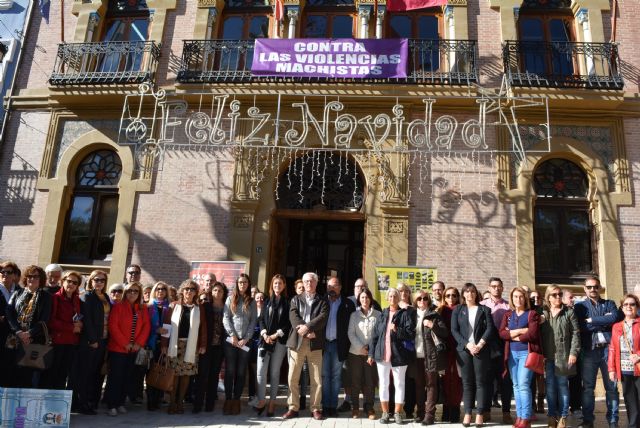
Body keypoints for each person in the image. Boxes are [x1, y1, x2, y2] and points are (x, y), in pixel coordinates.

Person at [574, 276, 621, 428]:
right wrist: (603, 320)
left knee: (612, 388)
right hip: (590, 350)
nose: (593, 289)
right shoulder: (580, 307)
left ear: (600, 287)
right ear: (584, 289)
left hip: (609, 350)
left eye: (595, 287)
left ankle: (613, 421)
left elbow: (613, 319)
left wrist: (591, 320)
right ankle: (588, 420)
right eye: (589, 287)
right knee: (588, 388)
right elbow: (581, 327)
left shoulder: (609, 303)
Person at [284, 272, 329, 420]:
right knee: (292, 377)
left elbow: (322, 318)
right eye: (306, 281)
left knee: (316, 378)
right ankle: (293, 407)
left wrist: (308, 328)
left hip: (315, 342)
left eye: (311, 281)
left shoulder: (323, 300)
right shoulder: (295, 299)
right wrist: (303, 331)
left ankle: (315, 408)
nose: (309, 283)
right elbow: (293, 316)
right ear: (303, 283)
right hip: (297, 342)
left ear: (316, 283)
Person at [370, 287, 416, 424]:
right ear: (387, 298)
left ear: (399, 298)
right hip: (382, 355)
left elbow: (411, 333)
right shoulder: (382, 314)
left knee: (399, 384)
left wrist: (397, 330)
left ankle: (397, 413)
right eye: (390, 296)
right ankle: (385, 413)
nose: (393, 298)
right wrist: (371, 354)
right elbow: (375, 336)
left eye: (395, 296)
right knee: (383, 384)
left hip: (399, 355)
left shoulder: (405, 314)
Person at [451, 282, 495, 427]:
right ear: (463, 294)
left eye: (472, 291)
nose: (470, 294)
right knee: (467, 383)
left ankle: (480, 414)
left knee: (481, 382)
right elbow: (454, 330)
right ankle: (468, 413)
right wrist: (467, 344)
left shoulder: (484, 309)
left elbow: (490, 329)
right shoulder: (458, 309)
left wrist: (480, 344)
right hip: (464, 350)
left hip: (480, 350)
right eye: (467, 291)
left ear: (476, 293)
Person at [161, 280, 207, 414]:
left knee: (186, 374)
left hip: (191, 346)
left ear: (195, 292)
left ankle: (180, 402)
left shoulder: (199, 308)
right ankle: (172, 402)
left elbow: (203, 328)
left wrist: (203, 345)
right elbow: (167, 327)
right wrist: (164, 345)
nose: (189, 291)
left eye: (192, 289)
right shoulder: (173, 306)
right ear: (182, 291)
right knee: (174, 374)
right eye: (186, 289)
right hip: (175, 345)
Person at [104, 281, 150, 417]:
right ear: (125, 292)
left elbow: (146, 327)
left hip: (133, 349)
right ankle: (112, 404)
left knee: (127, 377)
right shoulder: (118, 307)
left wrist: (138, 343)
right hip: (118, 348)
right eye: (130, 291)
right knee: (115, 377)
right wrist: (125, 343)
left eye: (135, 291)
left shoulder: (142, 308)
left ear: (139, 294)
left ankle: (120, 403)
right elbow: (113, 326)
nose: (132, 293)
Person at [498, 286, 541, 428]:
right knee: (516, 385)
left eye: (521, 296)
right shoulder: (508, 315)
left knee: (523, 385)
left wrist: (512, 335)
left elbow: (533, 334)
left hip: (526, 354)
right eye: (515, 296)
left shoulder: (532, 314)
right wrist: (521, 331)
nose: (518, 299)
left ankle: (526, 418)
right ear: (512, 298)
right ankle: (520, 416)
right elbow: (502, 334)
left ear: (526, 298)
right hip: (511, 354)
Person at [540, 285, 580, 428]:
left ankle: (563, 416)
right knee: (550, 388)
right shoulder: (543, 312)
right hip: (548, 356)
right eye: (554, 294)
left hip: (564, 355)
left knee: (563, 386)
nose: (558, 297)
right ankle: (552, 416)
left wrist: (573, 353)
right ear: (548, 297)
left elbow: (576, 333)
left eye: (560, 294)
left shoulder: (568, 312)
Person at [6, 265, 52, 388]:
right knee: (11, 372)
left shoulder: (46, 296)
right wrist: (18, 331)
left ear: (41, 278)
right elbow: (9, 312)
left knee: (27, 376)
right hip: (14, 339)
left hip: (32, 341)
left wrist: (28, 334)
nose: (32, 279)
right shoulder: (17, 292)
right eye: (30, 276)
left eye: (35, 276)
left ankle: (22, 407)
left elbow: (44, 319)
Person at [74, 270, 111, 415]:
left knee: (95, 373)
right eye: (96, 279)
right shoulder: (87, 296)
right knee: (85, 374)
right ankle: (81, 404)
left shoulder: (105, 296)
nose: (99, 282)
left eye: (102, 280)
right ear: (91, 280)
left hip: (103, 340)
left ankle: (90, 401)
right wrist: (92, 339)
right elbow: (87, 319)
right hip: (91, 341)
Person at [256, 274, 291, 416]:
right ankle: (261, 400)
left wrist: (276, 335)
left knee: (274, 373)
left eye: (280, 283)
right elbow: (261, 320)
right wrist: (265, 334)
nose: (277, 286)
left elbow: (288, 324)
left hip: (279, 342)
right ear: (272, 285)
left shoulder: (287, 303)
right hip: (264, 341)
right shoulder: (266, 301)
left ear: (284, 286)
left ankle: (272, 402)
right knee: (260, 372)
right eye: (275, 283)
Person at [222, 273, 257, 415]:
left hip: (244, 342)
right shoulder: (230, 299)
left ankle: (236, 400)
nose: (242, 284)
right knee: (230, 371)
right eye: (240, 282)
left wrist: (246, 338)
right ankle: (228, 399)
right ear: (237, 284)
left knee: (241, 372)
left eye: (245, 282)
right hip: (231, 341)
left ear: (248, 284)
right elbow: (226, 318)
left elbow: (253, 321)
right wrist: (233, 335)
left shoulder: (252, 301)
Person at [42, 270, 83, 390]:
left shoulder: (77, 300)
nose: (71, 284)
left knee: (63, 374)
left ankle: (57, 404)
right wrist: (71, 327)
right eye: (68, 281)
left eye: (74, 283)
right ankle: (46, 404)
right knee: (51, 374)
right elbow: (51, 321)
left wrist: (80, 324)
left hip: (71, 342)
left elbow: (79, 317)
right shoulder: (55, 298)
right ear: (63, 281)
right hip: (57, 342)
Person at [480, 277, 513, 424]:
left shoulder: (508, 306)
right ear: (489, 287)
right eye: (493, 286)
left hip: (504, 346)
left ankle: (506, 412)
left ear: (503, 287)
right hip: (486, 347)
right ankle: (486, 411)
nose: (496, 289)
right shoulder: (482, 305)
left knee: (505, 381)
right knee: (486, 381)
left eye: (499, 286)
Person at [322, 276, 355, 417]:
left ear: (340, 287)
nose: (332, 288)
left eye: (334, 286)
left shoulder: (348, 303)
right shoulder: (321, 301)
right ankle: (324, 406)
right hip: (323, 344)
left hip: (338, 345)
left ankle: (332, 406)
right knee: (324, 376)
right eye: (329, 286)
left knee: (335, 377)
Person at [415, 290, 448, 425]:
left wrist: (432, 325)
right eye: (419, 299)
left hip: (431, 355)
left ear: (428, 300)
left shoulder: (434, 315)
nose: (422, 301)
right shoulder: (412, 315)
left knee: (431, 385)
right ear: (415, 301)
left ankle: (429, 415)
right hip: (415, 355)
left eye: (425, 298)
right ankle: (420, 412)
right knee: (418, 385)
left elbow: (445, 333)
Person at [193, 281, 227, 413]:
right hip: (206, 346)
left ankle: (210, 404)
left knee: (214, 375)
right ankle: (198, 404)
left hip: (220, 347)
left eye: (220, 291)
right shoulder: (205, 306)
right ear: (211, 292)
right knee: (202, 375)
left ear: (224, 293)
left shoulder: (227, 307)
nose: (217, 293)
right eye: (215, 290)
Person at [347, 288, 380, 420]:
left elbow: (378, 334)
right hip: (355, 353)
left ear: (370, 299)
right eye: (362, 298)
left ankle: (369, 407)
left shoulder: (378, 315)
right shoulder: (353, 315)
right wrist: (361, 347)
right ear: (359, 300)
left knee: (370, 382)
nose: (365, 300)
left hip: (371, 354)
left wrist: (370, 349)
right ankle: (355, 407)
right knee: (355, 382)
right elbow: (350, 333)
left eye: (367, 297)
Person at [608, 294, 640, 428]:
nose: (628, 307)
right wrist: (611, 369)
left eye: (632, 304)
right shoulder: (616, 326)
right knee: (630, 400)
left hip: (638, 367)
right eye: (625, 304)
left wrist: (639, 355)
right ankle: (633, 425)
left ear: (637, 307)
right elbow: (612, 348)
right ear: (621, 308)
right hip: (624, 368)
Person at [145, 281, 171, 411]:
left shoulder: (170, 307)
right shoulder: (148, 307)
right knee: (151, 372)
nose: (160, 291)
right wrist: (156, 330)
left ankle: (159, 399)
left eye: (163, 289)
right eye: (158, 289)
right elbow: (143, 325)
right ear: (154, 291)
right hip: (150, 343)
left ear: (166, 292)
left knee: (161, 371)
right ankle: (150, 401)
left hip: (165, 344)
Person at [439, 286, 463, 423]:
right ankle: (446, 409)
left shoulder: (461, 310)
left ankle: (455, 410)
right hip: (445, 350)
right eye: (447, 295)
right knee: (446, 380)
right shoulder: (441, 310)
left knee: (457, 381)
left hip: (459, 349)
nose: (451, 298)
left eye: (454, 295)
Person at [395, 282, 417, 419]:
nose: (403, 293)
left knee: (409, 381)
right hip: (394, 350)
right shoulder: (392, 308)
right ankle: (394, 409)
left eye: (406, 291)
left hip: (409, 350)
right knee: (395, 382)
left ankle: (409, 410)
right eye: (400, 291)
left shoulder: (413, 310)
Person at [292, 278, 309, 411]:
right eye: (299, 288)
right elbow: (293, 318)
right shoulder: (293, 301)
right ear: (296, 289)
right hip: (294, 341)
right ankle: (293, 401)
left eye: (303, 288)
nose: (302, 290)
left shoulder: (310, 301)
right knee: (293, 373)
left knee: (304, 372)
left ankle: (303, 398)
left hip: (308, 341)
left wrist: (306, 329)